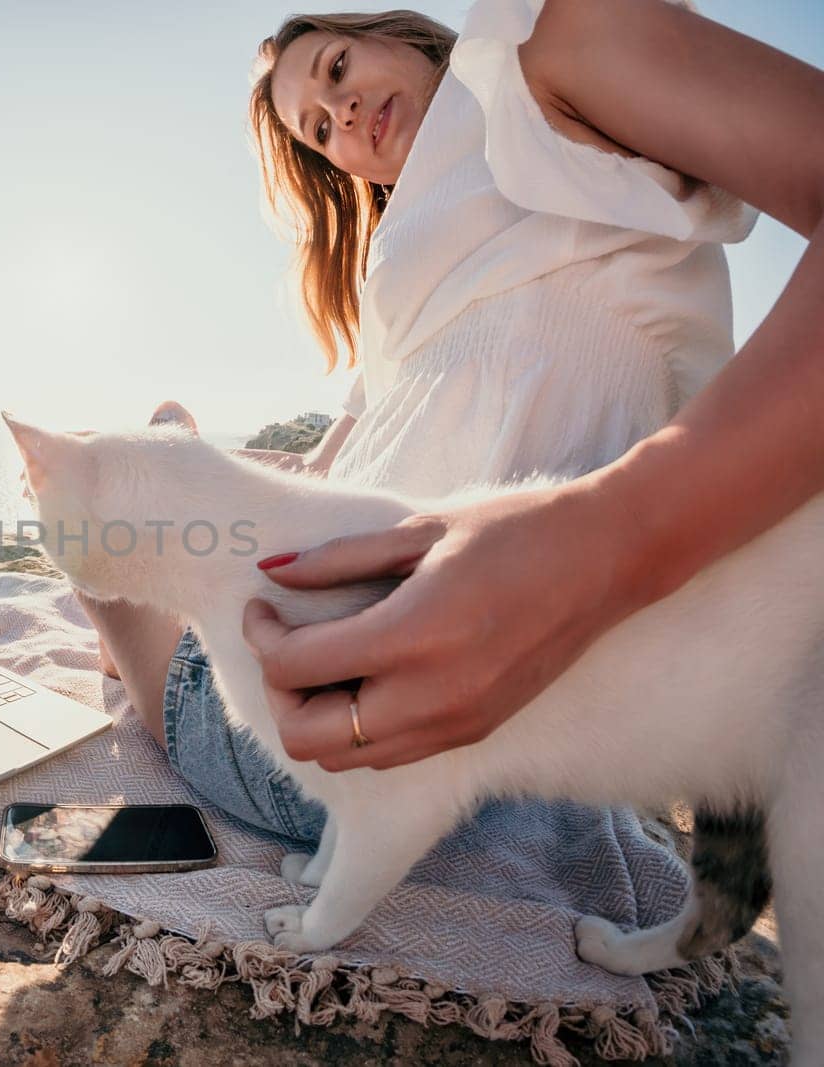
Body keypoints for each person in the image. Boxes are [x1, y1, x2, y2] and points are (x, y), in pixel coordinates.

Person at [76, 0, 823, 846]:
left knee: (103, 510)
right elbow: (345, 466)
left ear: (395, 33)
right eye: (322, 130)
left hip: (379, 752)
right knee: (128, 494)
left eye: (336, 70)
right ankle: (152, 612)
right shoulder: (407, 266)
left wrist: (620, 534)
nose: (346, 114)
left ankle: (138, 631)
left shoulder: (533, 51)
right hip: (321, 711)